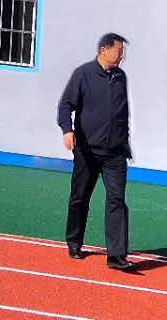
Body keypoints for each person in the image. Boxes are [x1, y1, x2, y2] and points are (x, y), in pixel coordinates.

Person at [57, 32, 133, 270]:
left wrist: (125, 143)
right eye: (119, 52)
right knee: (80, 197)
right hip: (87, 150)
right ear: (104, 50)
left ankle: (116, 255)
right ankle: (74, 241)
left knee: (117, 200)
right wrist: (67, 130)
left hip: (116, 153)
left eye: (122, 53)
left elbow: (122, 113)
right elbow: (65, 105)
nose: (121, 56)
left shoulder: (120, 77)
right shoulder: (83, 74)